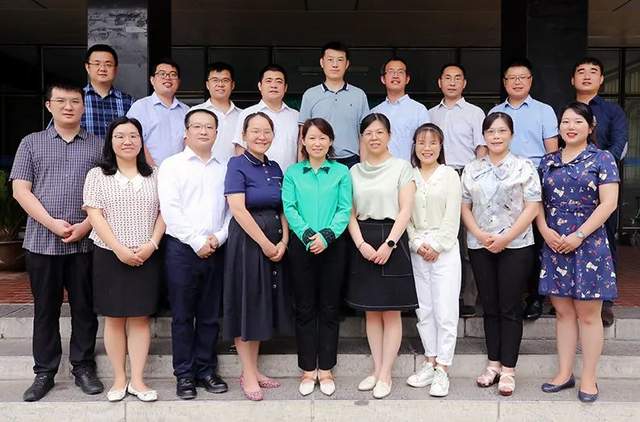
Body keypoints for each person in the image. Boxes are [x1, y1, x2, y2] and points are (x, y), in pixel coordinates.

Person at [10, 82, 104, 402]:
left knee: (84, 308)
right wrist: (52, 223)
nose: (68, 106)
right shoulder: (31, 143)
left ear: (83, 107)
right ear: (49, 105)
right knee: (45, 309)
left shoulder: (98, 146)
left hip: (85, 243)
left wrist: (87, 226)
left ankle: (83, 367)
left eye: (75, 101)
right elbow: (20, 190)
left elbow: (107, 192)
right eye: (61, 101)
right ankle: (44, 372)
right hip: (41, 243)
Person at [537, 102, 619, 403]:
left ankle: (589, 378)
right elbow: (536, 202)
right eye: (565, 122)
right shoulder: (548, 161)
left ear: (590, 126)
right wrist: (545, 230)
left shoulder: (602, 158)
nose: (570, 127)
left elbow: (608, 203)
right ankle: (564, 373)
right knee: (563, 312)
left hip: (589, 246)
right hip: (555, 243)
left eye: (577, 122)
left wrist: (579, 235)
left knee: (588, 314)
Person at [82, 117, 164, 402]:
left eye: (133, 136)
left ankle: (138, 381)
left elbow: (165, 212)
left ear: (141, 141)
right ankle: (119, 379)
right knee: (114, 318)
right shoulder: (97, 175)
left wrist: (152, 244)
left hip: (146, 254)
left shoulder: (156, 174)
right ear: (110, 141)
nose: (127, 141)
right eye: (120, 136)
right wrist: (118, 248)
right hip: (109, 254)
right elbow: (94, 214)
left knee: (140, 318)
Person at [461, 112, 541, 396]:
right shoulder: (472, 168)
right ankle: (493, 363)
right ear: (484, 136)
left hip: (516, 246)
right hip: (480, 245)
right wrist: (479, 234)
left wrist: (506, 237)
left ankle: (508, 369)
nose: (496, 136)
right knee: (490, 306)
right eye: (491, 132)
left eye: (501, 131)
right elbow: (464, 206)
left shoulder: (524, 166)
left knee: (510, 307)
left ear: (511, 134)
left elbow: (533, 206)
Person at [158, 109, 230, 399]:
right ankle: (184, 375)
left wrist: (219, 237)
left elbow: (232, 210)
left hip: (216, 248)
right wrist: (196, 240)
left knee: (211, 315)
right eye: (197, 126)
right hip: (182, 249)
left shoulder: (224, 168)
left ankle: (206, 370)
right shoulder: (171, 166)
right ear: (186, 132)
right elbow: (170, 210)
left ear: (216, 133)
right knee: (183, 316)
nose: (203, 131)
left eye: (209, 127)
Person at [224, 112, 294, 401]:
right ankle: (248, 374)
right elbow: (238, 209)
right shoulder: (236, 165)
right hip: (248, 244)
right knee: (247, 304)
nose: (261, 136)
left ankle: (253, 369)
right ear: (244, 135)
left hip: (275, 243)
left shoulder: (275, 167)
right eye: (255, 131)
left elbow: (283, 207)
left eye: (266, 131)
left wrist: (284, 240)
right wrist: (265, 244)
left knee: (262, 305)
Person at [346, 113, 417, 399]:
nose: (374, 137)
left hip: (392, 238)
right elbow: (349, 212)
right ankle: (376, 369)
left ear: (389, 135)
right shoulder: (353, 171)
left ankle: (386, 373)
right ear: (362, 138)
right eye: (368, 133)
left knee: (391, 310)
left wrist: (389, 244)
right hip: (362, 238)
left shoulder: (402, 167)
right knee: (371, 311)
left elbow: (406, 209)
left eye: (379, 132)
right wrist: (361, 244)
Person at [281, 118, 352, 397]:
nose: (317, 142)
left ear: (330, 141)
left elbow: (345, 209)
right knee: (305, 308)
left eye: (323, 137)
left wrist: (327, 236)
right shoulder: (293, 173)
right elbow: (289, 207)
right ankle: (308, 369)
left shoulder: (341, 172)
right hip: (302, 246)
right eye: (312, 137)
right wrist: (309, 234)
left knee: (330, 308)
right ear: (303, 141)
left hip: (333, 246)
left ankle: (327, 369)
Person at [490, 58, 559, 320]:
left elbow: (552, 152)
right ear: (504, 82)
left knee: (537, 240)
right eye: (512, 78)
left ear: (530, 81)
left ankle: (535, 297)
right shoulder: (496, 111)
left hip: (535, 181)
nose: (517, 82)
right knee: (507, 237)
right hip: (502, 183)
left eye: (522, 77)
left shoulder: (544, 111)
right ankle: (510, 296)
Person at [405, 123, 462, 397]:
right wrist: (417, 244)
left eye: (433, 143)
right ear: (414, 146)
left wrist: (437, 245)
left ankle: (443, 368)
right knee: (424, 309)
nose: (427, 148)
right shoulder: (408, 175)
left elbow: (453, 215)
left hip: (445, 249)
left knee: (445, 310)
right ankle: (430, 361)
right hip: (418, 248)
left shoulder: (450, 175)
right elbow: (404, 214)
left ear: (441, 146)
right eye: (421, 142)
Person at [572, 57, 629, 327]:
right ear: (572, 79)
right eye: (581, 72)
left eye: (593, 72)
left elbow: (618, 145)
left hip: (602, 186)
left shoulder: (613, 111)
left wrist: (597, 169)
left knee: (604, 241)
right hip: (569, 188)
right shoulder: (566, 110)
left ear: (602, 79)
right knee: (568, 238)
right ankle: (566, 295)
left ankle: (605, 301)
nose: (587, 76)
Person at [430, 63, 487, 318]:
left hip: (465, 175)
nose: (452, 82)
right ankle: (441, 294)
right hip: (437, 175)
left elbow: (481, 149)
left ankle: (467, 298)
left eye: (457, 78)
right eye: (447, 78)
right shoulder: (430, 114)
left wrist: (475, 179)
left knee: (466, 239)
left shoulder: (475, 113)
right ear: (439, 83)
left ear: (464, 83)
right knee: (439, 233)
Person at [299, 41, 370, 168]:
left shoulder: (359, 95)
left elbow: (364, 136)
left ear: (347, 64)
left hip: (351, 161)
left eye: (340, 60)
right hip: (318, 160)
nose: (335, 64)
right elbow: (302, 136)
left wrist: (363, 168)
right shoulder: (310, 95)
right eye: (330, 60)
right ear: (322, 63)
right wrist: (302, 169)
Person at [233, 64, 298, 171]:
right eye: (268, 81)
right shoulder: (247, 114)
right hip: (257, 177)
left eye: (279, 81)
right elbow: (240, 149)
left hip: (289, 178)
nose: (273, 85)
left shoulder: (296, 116)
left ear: (285, 87)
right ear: (260, 86)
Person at [127, 58, 189, 166]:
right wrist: (153, 169)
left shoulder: (186, 111)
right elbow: (134, 139)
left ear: (178, 81)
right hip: (149, 171)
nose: (168, 78)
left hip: (181, 172)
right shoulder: (140, 107)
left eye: (173, 74)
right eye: (162, 74)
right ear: (152, 80)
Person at [371, 57, 430, 161]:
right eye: (391, 72)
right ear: (383, 79)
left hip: (410, 169)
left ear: (407, 79)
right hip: (380, 169)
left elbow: (426, 144)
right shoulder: (375, 112)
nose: (395, 75)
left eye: (400, 72)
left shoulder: (419, 110)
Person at [190, 62, 242, 163]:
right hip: (204, 169)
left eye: (225, 80)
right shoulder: (195, 112)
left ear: (232, 85)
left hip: (235, 171)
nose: (220, 84)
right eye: (215, 80)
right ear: (207, 85)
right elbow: (188, 145)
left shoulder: (243, 115)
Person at [81, 44, 134, 138]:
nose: (102, 69)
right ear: (87, 67)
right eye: (97, 64)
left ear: (115, 69)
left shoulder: (128, 102)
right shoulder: (76, 99)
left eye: (108, 65)